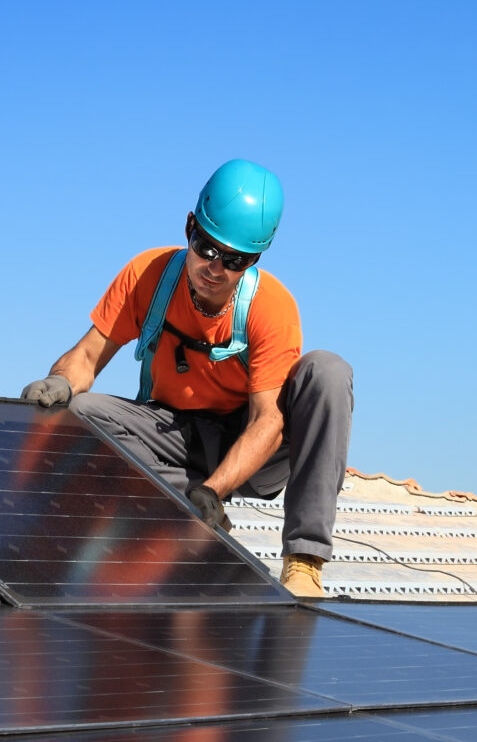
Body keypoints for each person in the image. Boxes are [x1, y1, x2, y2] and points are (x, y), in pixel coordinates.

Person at [22, 159, 353, 599]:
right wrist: (61, 382)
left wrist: (215, 491)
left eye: (235, 260)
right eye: (207, 247)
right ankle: (172, 528)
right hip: (173, 441)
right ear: (189, 226)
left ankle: (304, 561)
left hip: (250, 449)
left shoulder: (271, 307)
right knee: (82, 410)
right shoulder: (148, 275)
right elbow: (86, 356)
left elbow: (268, 422)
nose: (215, 267)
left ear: (253, 259)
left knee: (327, 372)